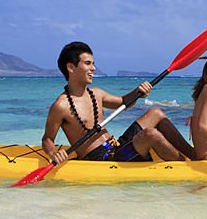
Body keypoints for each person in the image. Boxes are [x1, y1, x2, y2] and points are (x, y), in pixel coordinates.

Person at [42, 41, 195, 164]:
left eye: (93, 63)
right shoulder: (61, 106)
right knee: (150, 134)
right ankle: (185, 166)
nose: (93, 68)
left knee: (156, 113)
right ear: (71, 67)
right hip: (101, 159)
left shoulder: (96, 93)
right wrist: (53, 153)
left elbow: (123, 102)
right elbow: (48, 139)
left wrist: (137, 92)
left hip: (116, 147)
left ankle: (195, 157)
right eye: (88, 63)